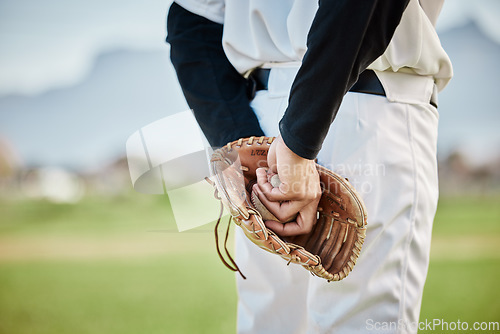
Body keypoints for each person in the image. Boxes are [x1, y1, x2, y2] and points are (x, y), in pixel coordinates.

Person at [167, 0, 452, 333]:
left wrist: (250, 148)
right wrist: (285, 147)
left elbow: (192, 24)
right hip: (362, 110)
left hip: (266, 120)